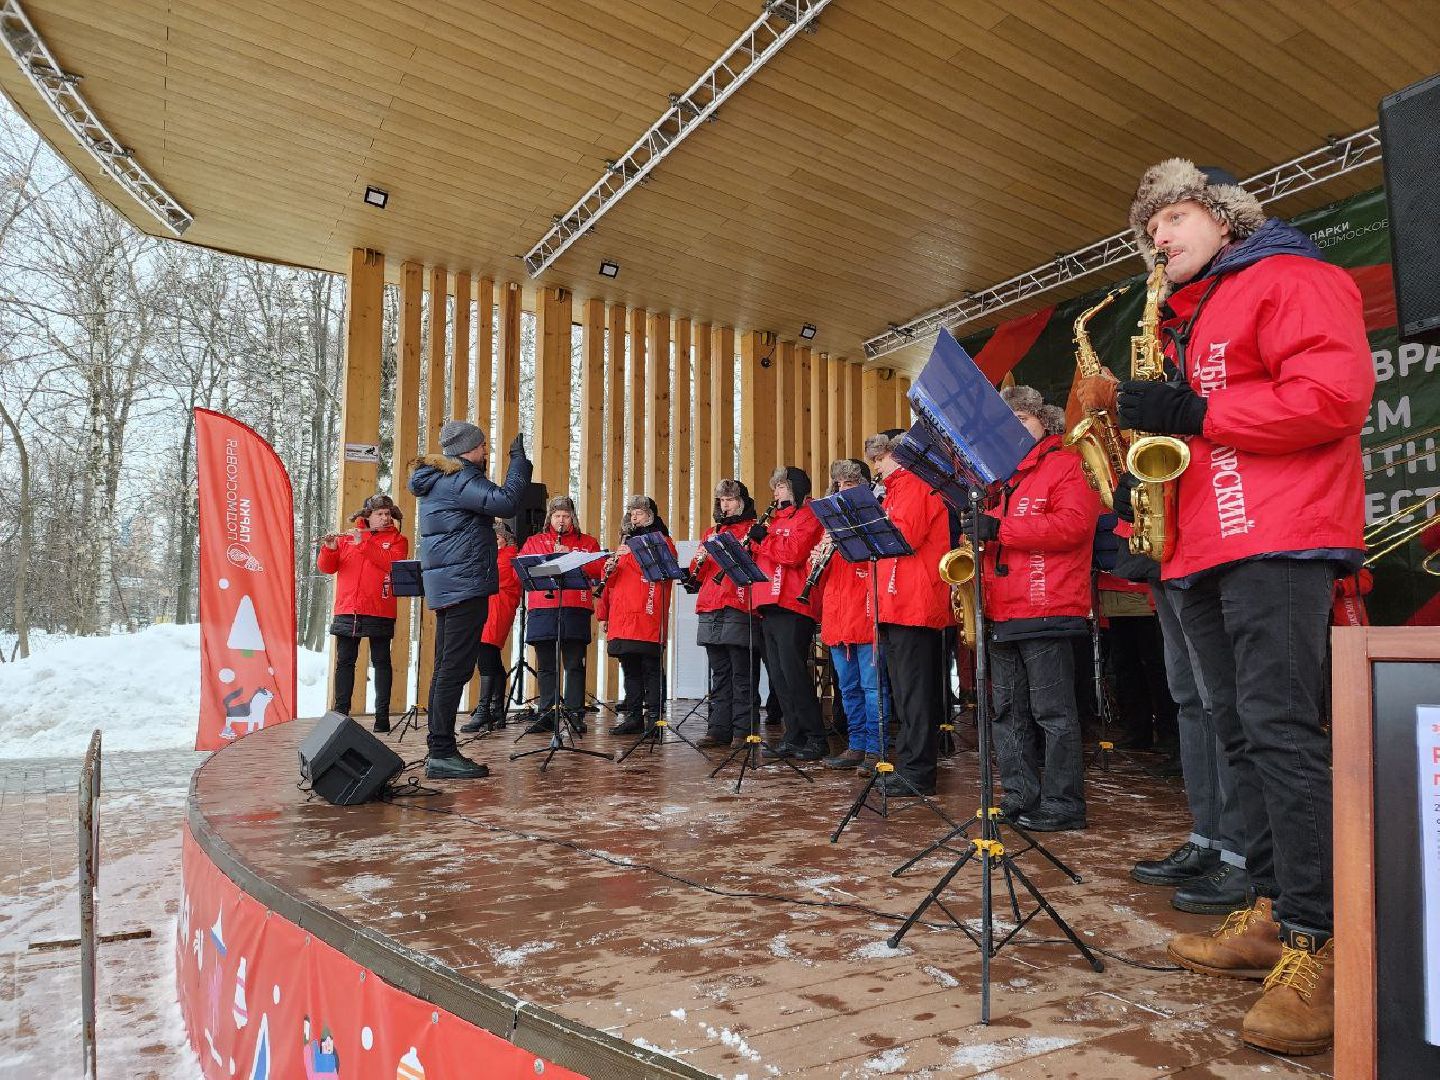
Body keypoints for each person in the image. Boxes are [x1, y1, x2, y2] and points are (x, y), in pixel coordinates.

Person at [1092, 158, 1373, 1055]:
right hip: (1203, 543)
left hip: (1279, 536)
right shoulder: (1188, 315)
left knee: (1280, 728)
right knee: (1237, 730)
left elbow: (1334, 398)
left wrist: (1198, 409)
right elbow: (1199, 423)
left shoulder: (1294, 278)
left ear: (1223, 216)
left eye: (1172, 218)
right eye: (1150, 230)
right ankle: (1269, 910)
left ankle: (1323, 946)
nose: (1159, 240)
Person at [965, 391, 1100, 829]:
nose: (1014, 429)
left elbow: (1074, 525)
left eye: (1021, 419)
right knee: (1007, 712)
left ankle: (1064, 803)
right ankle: (1020, 793)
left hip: (1046, 603)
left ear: (1044, 420)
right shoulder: (999, 479)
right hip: (1002, 608)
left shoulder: (1066, 463)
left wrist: (999, 528)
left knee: (1054, 713)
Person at [408, 421, 531, 779]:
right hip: (465, 583)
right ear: (467, 449)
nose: (485, 451)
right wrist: (519, 463)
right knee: (454, 669)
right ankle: (442, 752)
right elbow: (506, 502)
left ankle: (439, 747)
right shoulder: (460, 478)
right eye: (481, 447)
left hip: (449, 585)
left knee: (447, 666)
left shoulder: (437, 480)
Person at [866, 430, 954, 796]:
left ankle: (919, 771)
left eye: (880, 459)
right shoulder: (897, 489)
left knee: (916, 694)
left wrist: (869, 520)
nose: (876, 467)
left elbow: (905, 535)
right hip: (897, 601)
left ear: (898, 456)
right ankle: (908, 764)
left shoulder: (915, 484)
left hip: (915, 602)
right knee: (904, 693)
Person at [813, 459, 888, 777]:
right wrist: (818, 556)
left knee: (873, 689)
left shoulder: (874, 519)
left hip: (866, 612)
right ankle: (856, 745)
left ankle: (876, 749)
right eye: (840, 484)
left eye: (851, 484)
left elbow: (882, 562)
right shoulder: (829, 524)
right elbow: (818, 576)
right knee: (849, 689)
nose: (843, 489)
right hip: (837, 616)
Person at [751, 466, 826, 761]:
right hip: (768, 604)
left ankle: (816, 737)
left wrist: (763, 540)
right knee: (779, 676)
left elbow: (793, 553)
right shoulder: (776, 520)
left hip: (794, 603)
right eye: (775, 487)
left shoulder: (809, 516)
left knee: (794, 673)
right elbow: (768, 557)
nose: (776, 493)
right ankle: (793, 735)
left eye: (781, 487)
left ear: (795, 489)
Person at [317, 494, 408, 734]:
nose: (386, 517)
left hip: (380, 607)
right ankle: (341, 714)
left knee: (381, 662)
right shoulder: (348, 537)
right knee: (345, 662)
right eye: (380, 514)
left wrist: (363, 544)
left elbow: (390, 564)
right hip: (349, 608)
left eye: (388, 513)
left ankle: (382, 717)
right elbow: (328, 568)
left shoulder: (398, 540)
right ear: (367, 516)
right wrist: (329, 549)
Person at [688, 480, 763, 749]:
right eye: (721, 501)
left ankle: (744, 730)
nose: (725, 505)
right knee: (719, 673)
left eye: (730, 500)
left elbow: (758, 565)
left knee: (742, 673)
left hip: (739, 602)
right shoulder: (711, 532)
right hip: (711, 603)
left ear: (742, 501)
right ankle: (718, 728)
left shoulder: (752, 529)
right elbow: (698, 568)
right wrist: (695, 566)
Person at [518, 495, 602, 733]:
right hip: (543, 608)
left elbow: (598, 569)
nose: (561, 520)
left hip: (575, 607)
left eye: (566, 516)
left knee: (574, 663)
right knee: (546, 664)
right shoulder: (535, 541)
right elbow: (524, 570)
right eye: (557, 516)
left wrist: (569, 556)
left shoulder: (587, 543)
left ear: (573, 518)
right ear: (550, 518)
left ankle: (575, 713)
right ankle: (547, 711)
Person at [597, 495, 676, 736]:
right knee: (628, 666)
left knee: (650, 666)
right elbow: (609, 582)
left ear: (650, 514)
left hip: (646, 610)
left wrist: (632, 551)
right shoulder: (625, 542)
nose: (634, 517)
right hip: (622, 613)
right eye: (631, 513)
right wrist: (604, 613)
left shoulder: (662, 540)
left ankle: (654, 717)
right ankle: (633, 716)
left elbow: (665, 568)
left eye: (639, 512)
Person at [461, 520, 520, 734]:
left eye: (496, 538)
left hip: (499, 606)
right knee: (491, 657)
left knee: (486, 654)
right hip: (485, 605)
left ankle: (485, 710)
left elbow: (513, 581)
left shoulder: (511, 556)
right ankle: (496, 710)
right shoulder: (486, 555)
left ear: (505, 539)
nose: (493, 542)